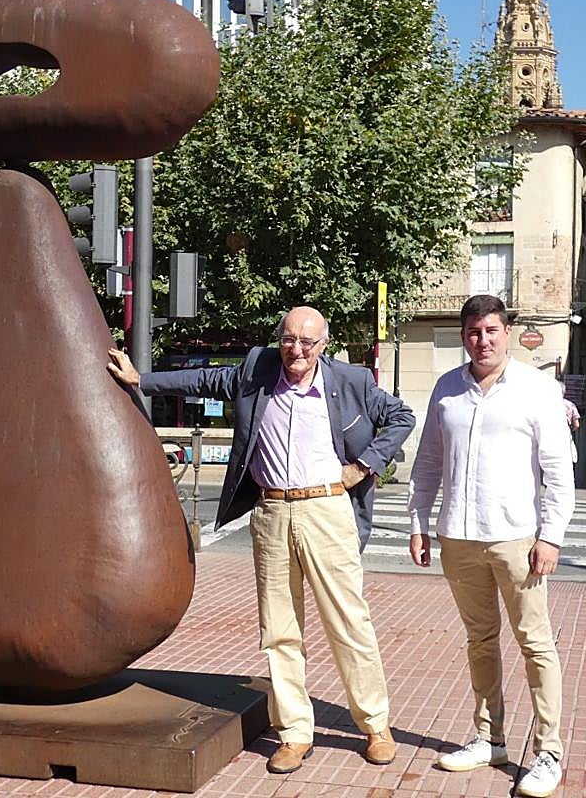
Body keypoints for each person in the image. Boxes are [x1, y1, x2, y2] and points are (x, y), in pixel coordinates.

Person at [107, 306, 414, 775]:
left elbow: (401, 417)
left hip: (326, 509)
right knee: (279, 630)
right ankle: (294, 732)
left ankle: (375, 726)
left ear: (323, 345)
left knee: (348, 622)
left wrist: (364, 465)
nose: (296, 350)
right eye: (289, 339)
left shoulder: (351, 381)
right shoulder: (257, 369)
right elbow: (202, 382)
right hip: (271, 512)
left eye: (307, 342)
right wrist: (140, 380)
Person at [407, 295, 573, 798]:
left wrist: (551, 536)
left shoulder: (537, 389)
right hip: (459, 537)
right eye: (474, 332)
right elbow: (428, 461)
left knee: (535, 644)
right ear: (464, 336)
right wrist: (418, 522)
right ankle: (489, 738)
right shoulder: (446, 389)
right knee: (480, 641)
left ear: (507, 334)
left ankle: (548, 752)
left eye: (492, 331)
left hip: (516, 538)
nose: (483, 340)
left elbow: (557, 469)